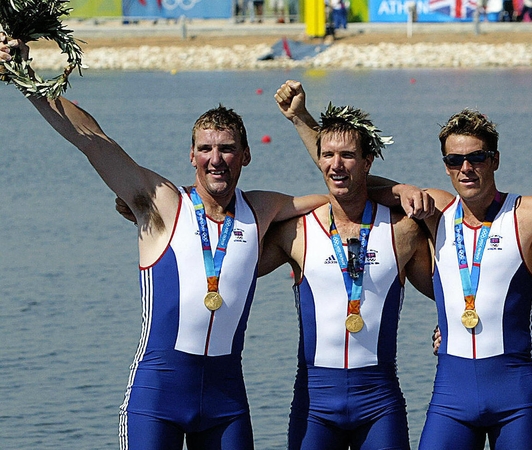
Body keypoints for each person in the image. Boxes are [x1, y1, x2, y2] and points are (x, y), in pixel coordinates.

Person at [279, 81, 532, 448]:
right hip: (451, 398)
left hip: (516, 398)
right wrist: (303, 120)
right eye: (455, 159)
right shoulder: (433, 210)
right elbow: (347, 176)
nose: (466, 167)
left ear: (494, 159)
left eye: (476, 157)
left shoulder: (531, 212)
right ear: (446, 165)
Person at [0, 36, 330, 449]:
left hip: (226, 406)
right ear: (191, 156)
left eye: (227, 150)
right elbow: (90, 139)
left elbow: (344, 189)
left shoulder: (263, 209)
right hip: (156, 402)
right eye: (206, 149)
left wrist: (395, 191)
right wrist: (27, 79)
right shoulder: (160, 203)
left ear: (246, 156)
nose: (216, 159)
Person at [268, 83, 434, 449]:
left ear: (368, 161)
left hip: (379, 404)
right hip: (314, 405)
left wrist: (456, 330)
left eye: (347, 155)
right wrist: (152, 215)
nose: (335, 165)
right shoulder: (295, 230)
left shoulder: (403, 231)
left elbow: (450, 294)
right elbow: (229, 259)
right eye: (327, 155)